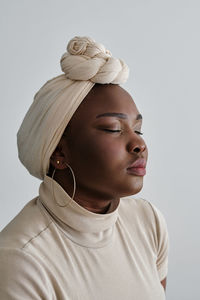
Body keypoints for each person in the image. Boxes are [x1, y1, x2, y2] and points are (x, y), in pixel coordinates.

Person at [0, 36, 169, 299]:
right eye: (113, 129)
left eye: (138, 129)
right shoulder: (21, 260)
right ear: (59, 152)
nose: (139, 143)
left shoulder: (147, 221)